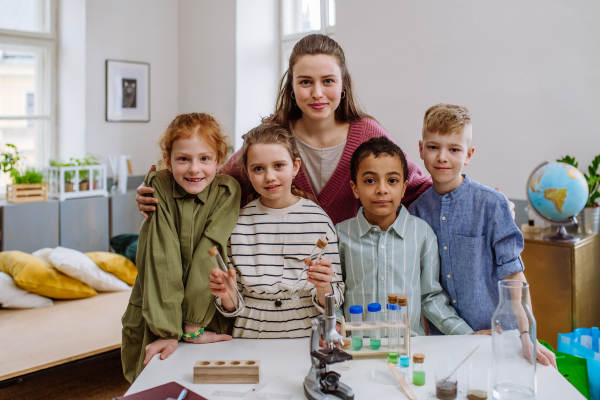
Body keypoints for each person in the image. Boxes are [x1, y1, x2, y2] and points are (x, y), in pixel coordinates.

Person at [135, 34, 432, 225]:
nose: (317, 93)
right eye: (305, 82)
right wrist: (159, 189)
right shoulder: (272, 135)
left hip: (353, 270)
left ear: (343, 86)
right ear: (291, 86)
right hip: (281, 276)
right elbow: (216, 183)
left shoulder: (368, 133)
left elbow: (417, 187)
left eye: (328, 81)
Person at [408, 103, 557, 367]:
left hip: (496, 337)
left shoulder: (492, 203)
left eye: (454, 149)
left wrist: (527, 335)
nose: (442, 157)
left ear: (468, 154)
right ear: (421, 149)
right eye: (433, 147)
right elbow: (421, 286)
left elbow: (514, 276)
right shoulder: (416, 211)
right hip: (445, 341)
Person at [121, 113, 241, 383]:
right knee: (156, 384)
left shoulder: (227, 191)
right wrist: (167, 331)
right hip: (158, 312)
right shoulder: (158, 186)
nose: (194, 169)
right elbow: (162, 259)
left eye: (204, 159)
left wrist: (193, 325)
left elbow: (209, 254)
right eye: (183, 159)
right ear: (168, 160)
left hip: (206, 314)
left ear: (219, 160)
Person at [208, 123, 344, 338]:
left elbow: (334, 300)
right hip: (250, 333)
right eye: (258, 168)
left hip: (306, 336)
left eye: (279, 165)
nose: (269, 176)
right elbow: (233, 306)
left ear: (296, 166)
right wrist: (227, 294)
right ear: (247, 173)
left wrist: (324, 285)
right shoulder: (238, 222)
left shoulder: (319, 220)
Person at [337, 136, 473, 336]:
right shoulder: (341, 235)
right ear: (355, 188)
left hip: (408, 349)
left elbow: (430, 297)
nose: (382, 189)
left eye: (392, 181)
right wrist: (336, 327)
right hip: (357, 349)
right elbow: (335, 294)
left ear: (403, 188)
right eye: (370, 180)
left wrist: (468, 336)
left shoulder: (422, 234)